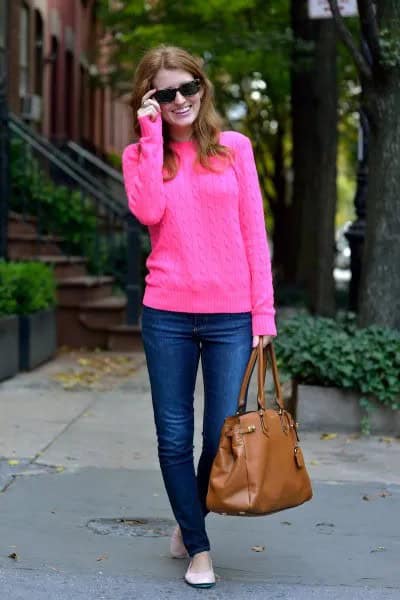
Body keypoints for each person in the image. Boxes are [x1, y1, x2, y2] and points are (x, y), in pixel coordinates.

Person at [122, 45, 277, 589]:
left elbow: (254, 234)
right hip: (165, 312)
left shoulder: (234, 148)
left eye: (188, 87)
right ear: (151, 99)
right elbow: (148, 212)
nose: (180, 99)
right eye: (166, 93)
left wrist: (264, 313)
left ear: (202, 87)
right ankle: (199, 547)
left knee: (218, 435)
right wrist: (149, 136)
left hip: (231, 314)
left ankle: (190, 518)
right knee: (172, 436)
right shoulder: (142, 155)